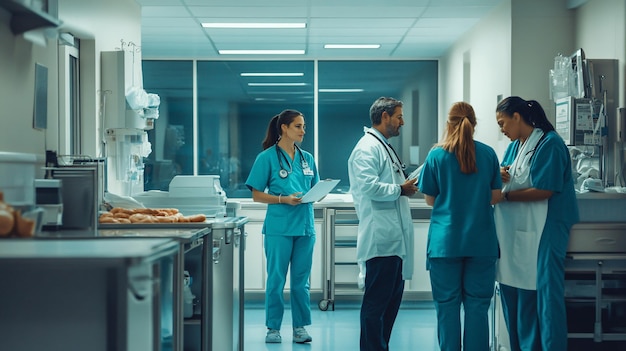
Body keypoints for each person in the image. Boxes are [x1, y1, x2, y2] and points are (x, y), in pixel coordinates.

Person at [494, 96, 579, 351]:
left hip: (547, 225)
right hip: (518, 229)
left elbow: (545, 189)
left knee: (545, 292)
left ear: (517, 117)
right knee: (516, 289)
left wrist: (505, 195)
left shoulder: (549, 143)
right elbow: (507, 172)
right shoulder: (515, 145)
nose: (502, 129)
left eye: (502, 123)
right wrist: (499, 175)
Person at [417, 101, 502, 351]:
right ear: (474, 124)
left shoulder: (436, 155)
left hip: (446, 244)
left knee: (447, 306)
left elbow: (431, 199)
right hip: (481, 242)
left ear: (448, 123)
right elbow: (495, 196)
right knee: (477, 306)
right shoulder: (487, 154)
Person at [347, 97, 417, 351]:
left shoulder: (382, 145)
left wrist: (404, 186)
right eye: (399, 116)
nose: (402, 122)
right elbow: (369, 187)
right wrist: (401, 189)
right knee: (376, 306)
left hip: (393, 241)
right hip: (381, 240)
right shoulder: (367, 148)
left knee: (389, 305)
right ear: (384, 116)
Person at [245, 109, 319, 344]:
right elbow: (256, 194)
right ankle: (273, 328)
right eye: (298, 126)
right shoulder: (266, 158)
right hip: (279, 228)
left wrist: (317, 193)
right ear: (284, 128)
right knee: (276, 280)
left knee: (301, 282)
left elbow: (314, 188)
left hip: (305, 228)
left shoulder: (308, 158)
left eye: (304, 126)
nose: (303, 130)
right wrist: (283, 199)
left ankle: (300, 327)